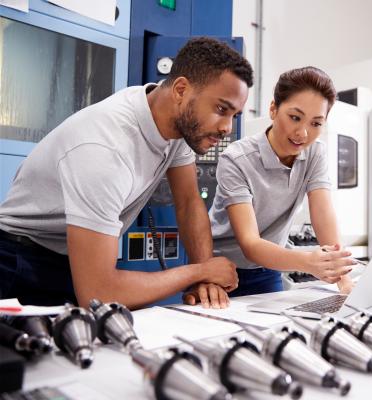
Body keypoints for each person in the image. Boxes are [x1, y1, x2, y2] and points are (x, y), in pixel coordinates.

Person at [0, 37, 253, 309]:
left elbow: (189, 203)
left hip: (70, 260)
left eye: (234, 116)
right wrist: (200, 272)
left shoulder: (176, 125)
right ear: (181, 90)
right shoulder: (105, 148)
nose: (227, 127)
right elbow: (99, 293)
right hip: (18, 263)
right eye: (221, 109)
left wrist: (206, 280)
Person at [184, 66, 355, 308]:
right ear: (273, 109)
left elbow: (323, 216)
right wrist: (307, 262)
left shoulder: (315, 153)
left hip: (268, 269)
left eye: (316, 123)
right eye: (295, 117)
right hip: (222, 272)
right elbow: (250, 243)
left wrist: (344, 281)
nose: (303, 133)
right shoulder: (237, 159)